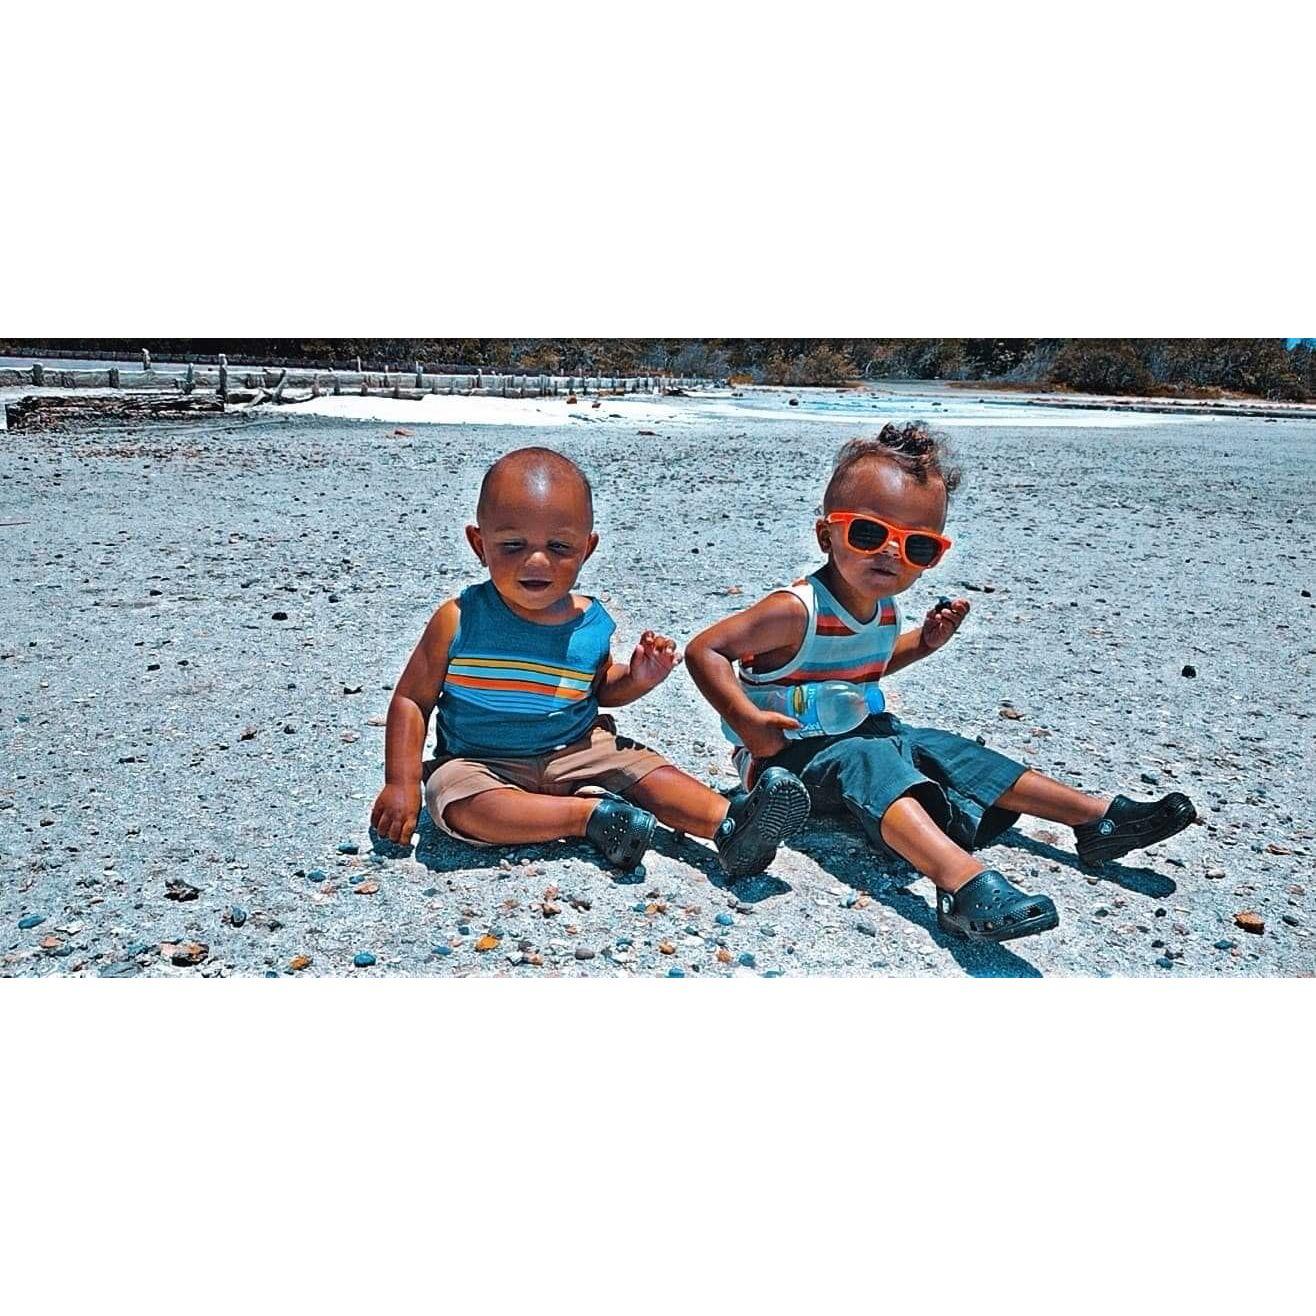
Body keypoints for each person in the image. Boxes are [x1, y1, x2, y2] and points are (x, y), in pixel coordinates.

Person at [684, 423, 1196, 942]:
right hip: (791, 759)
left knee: (950, 751)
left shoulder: (883, 611)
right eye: (869, 534)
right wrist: (748, 723)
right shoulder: (795, 611)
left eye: (918, 547)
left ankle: (1096, 819)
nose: (890, 553)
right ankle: (961, 882)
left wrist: (923, 643)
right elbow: (705, 649)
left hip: (863, 730)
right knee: (872, 761)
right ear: (826, 535)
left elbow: (866, 669)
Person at [370, 446, 809, 877]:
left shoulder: (591, 623)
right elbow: (412, 700)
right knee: (458, 802)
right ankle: (587, 817)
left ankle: (730, 823)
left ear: (588, 548)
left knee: (643, 766)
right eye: (513, 545)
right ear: (478, 543)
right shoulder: (459, 619)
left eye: (560, 546)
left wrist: (638, 678)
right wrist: (402, 782)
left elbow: (601, 690)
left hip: (576, 748)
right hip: (481, 761)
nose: (537, 560)